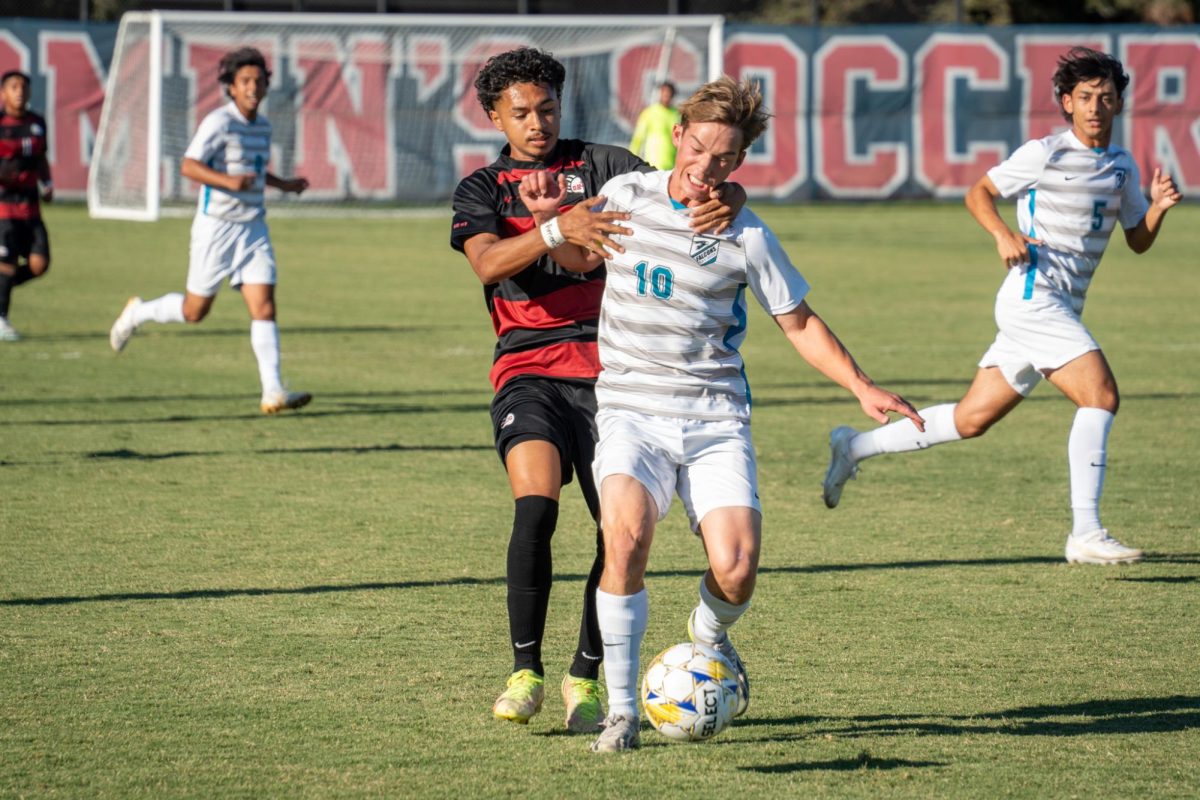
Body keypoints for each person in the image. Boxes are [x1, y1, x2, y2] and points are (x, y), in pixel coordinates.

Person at [529, 75, 922, 752]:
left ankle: (708, 641)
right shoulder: (626, 194)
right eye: (700, 148)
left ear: (738, 164)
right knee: (624, 537)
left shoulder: (747, 232)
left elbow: (797, 323)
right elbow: (580, 254)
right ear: (679, 135)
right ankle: (622, 713)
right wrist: (552, 227)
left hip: (714, 418)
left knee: (736, 568)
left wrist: (862, 386)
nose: (706, 168)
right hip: (630, 408)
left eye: (724, 160)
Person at [450, 47, 744, 733]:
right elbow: (489, 262)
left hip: (615, 373)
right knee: (535, 507)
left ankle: (584, 678)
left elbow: (684, 187)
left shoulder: (604, 166)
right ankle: (525, 670)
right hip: (527, 366)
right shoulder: (481, 189)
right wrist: (557, 229)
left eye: (546, 108)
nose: (536, 123)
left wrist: (731, 193)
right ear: (494, 115)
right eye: (519, 113)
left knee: (615, 533)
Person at [821, 47, 1182, 565]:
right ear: (1066, 103)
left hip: (1059, 309)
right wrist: (1002, 234)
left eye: (1106, 97)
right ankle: (1085, 532)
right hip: (1033, 300)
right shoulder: (1045, 153)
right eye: (1084, 97)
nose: (1095, 106)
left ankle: (852, 447)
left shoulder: (1122, 166)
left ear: (1120, 103)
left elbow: (1137, 241)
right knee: (1099, 396)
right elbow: (979, 193)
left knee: (971, 420)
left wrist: (1160, 211)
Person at [108, 47, 311, 415]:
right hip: (215, 229)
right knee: (194, 311)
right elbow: (189, 165)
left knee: (264, 306)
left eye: (259, 80)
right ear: (231, 87)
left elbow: (255, 170)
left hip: (252, 228)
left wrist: (284, 184)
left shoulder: (263, 126)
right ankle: (138, 312)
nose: (253, 87)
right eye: (245, 81)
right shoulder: (219, 122)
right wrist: (227, 182)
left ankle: (273, 390)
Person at [0, 70, 53, 342]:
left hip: (31, 208)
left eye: (23, 87)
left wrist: (47, 182)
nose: (19, 91)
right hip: (3, 209)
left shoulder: (37, 123)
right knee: (6, 264)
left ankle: (2, 287)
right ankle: (2, 319)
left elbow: (42, 158)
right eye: (13, 86)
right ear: (3, 94)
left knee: (39, 265)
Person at [629, 81, 680, 170]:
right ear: (659, 94)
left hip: (671, 166)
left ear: (672, 95)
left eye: (668, 93)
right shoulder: (649, 112)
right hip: (653, 165)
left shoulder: (677, 114)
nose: (666, 95)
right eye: (664, 92)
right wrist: (631, 160)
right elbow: (638, 138)